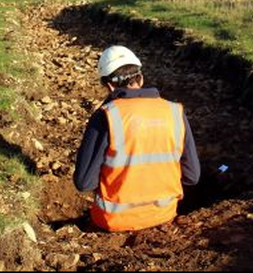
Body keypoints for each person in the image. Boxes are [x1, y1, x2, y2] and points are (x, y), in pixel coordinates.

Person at [73, 45, 200, 231]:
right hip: (163, 216)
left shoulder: (105, 116)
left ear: (108, 85)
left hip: (113, 222)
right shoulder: (174, 112)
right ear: (140, 78)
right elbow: (192, 177)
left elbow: (84, 183)